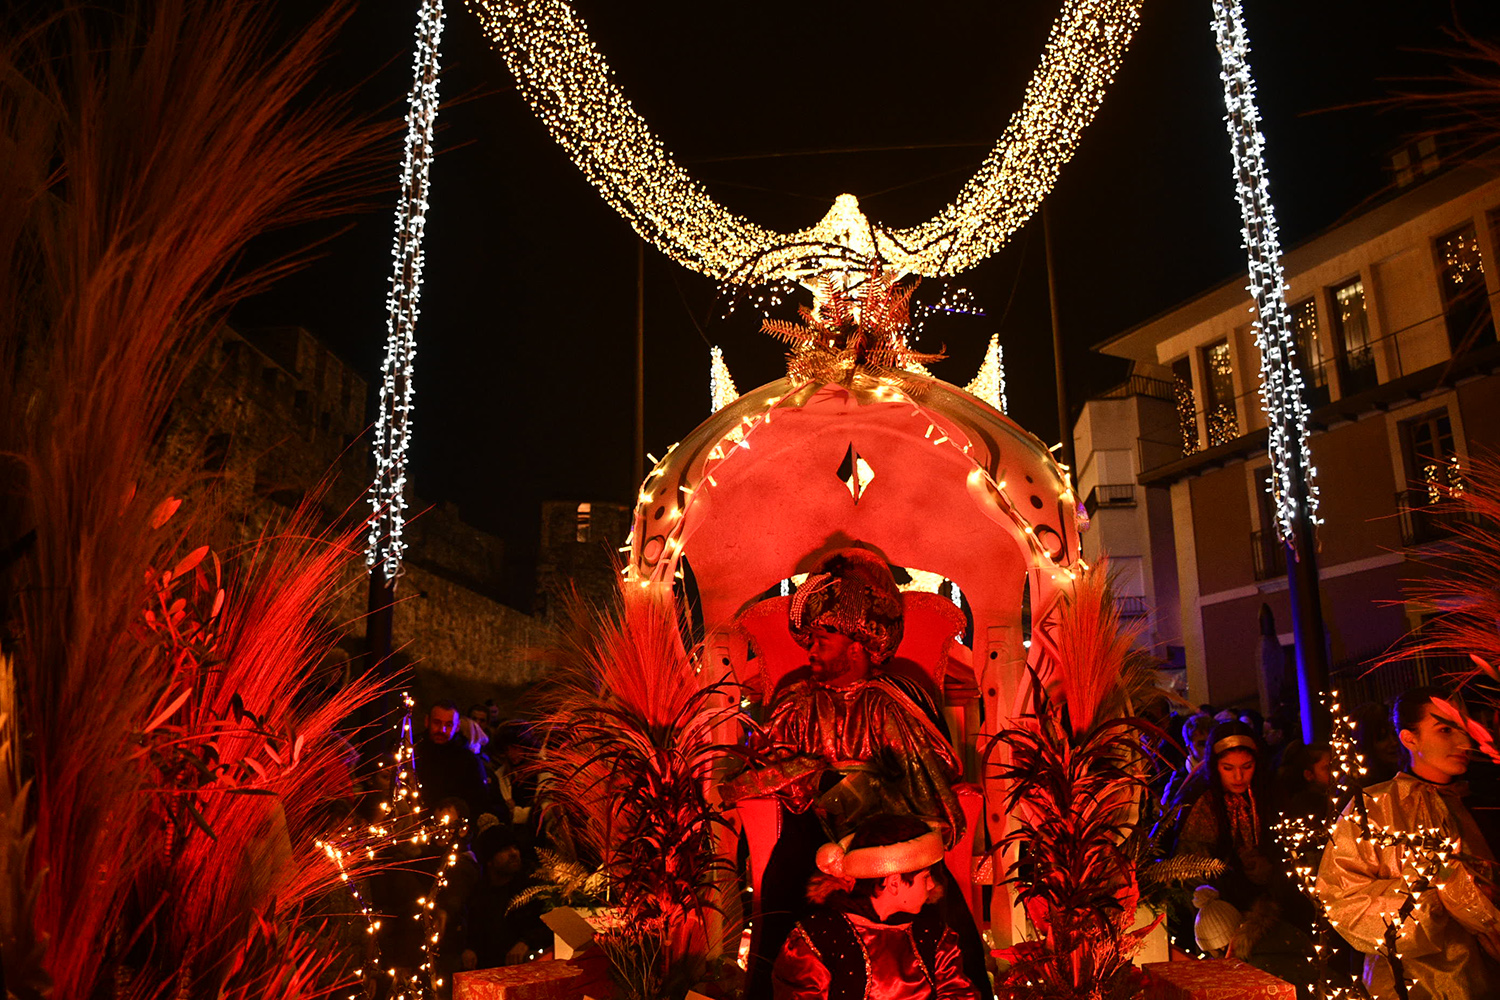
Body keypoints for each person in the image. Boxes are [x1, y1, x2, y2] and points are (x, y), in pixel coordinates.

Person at [728, 548, 988, 999]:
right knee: (787, 881)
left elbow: (924, 775)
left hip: (887, 820)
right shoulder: (797, 702)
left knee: (933, 894)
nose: (809, 648)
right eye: (808, 639)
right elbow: (768, 766)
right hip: (811, 819)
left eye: (820, 640)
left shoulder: (893, 701)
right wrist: (808, 772)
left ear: (856, 646)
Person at [1317, 687, 1500, 999]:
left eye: (1465, 729)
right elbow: (1340, 896)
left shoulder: (1483, 802)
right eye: (1445, 730)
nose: (1464, 743)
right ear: (1409, 738)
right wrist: (1431, 897)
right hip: (1412, 984)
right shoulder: (1375, 806)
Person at [773, 814, 978, 1000]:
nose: (933, 884)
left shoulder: (932, 936)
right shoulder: (817, 939)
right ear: (894, 882)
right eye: (925, 877)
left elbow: (958, 994)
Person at [1172, 721, 1310, 978]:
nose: (1238, 777)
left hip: (1274, 899)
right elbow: (1189, 865)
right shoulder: (1200, 799)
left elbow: (1293, 847)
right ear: (1215, 767)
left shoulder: (1269, 793)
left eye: (1247, 767)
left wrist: (1271, 868)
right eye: (1228, 768)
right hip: (1221, 902)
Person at [415, 699, 495, 820]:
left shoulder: (469, 761)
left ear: (457, 726)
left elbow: (479, 801)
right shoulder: (413, 752)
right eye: (437, 722)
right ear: (427, 721)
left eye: (448, 725)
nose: (442, 730)